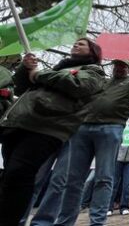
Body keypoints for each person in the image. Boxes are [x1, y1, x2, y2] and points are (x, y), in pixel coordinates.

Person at [0, 38, 105, 225]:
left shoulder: (93, 72)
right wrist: (26, 69)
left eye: (82, 44)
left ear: (93, 52)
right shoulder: (57, 68)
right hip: (20, 123)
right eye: (75, 43)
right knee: (9, 176)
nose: (76, 45)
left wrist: (40, 74)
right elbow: (21, 87)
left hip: (46, 128)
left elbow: (79, 86)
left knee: (19, 173)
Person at [55, 54, 129, 225]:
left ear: (128, 70)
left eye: (123, 66)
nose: (118, 68)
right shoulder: (103, 82)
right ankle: (64, 221)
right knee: (74, 178)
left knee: (104, 177)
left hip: (111, 128)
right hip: (85, 127)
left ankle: (97, 221)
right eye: (116, 65)